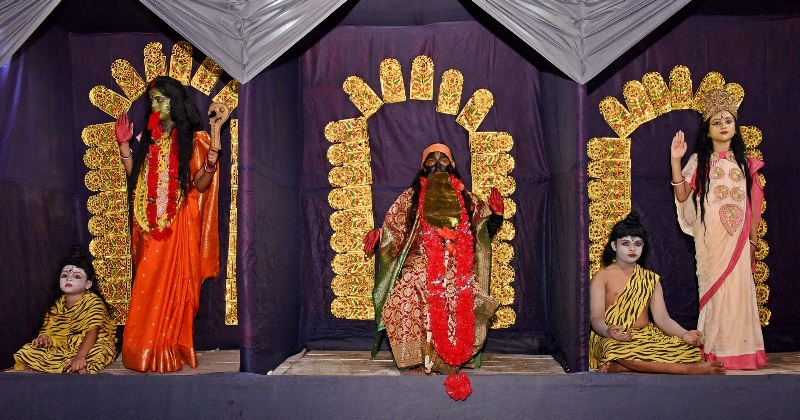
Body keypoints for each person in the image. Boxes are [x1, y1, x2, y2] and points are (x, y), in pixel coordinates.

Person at [363, 143, 504, 399]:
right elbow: (395, 231)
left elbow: (481, 235)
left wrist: (495, 217)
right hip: (418, 262)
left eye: (443, 158)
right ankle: (416, 360)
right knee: (408, 286)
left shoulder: (467, 199)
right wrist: (380, 235)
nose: (437, 163)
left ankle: (449, 360)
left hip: (456, 265)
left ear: (453, 165)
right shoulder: (410, 198)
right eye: (431, 159)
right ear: (422, 166)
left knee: (461, 291)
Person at [115, 76, 220, 373]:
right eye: (152, 101)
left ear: (175, 101)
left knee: (177, 289)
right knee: (146, 285)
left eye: (160, 99)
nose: (155, 105)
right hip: (148, 224)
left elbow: (200, 186)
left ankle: (168, 347)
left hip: (179, 223)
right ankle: (142, 349)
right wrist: (124, 144)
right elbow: (135, 174)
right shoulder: (148, 137)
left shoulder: (193, 138)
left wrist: (211, 160)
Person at [670, 88, 766, 370]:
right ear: (708, 130)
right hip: (710, 242)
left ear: (735, 128)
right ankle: (714, 350)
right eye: (716, 122)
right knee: (715, 291)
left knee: (739, 292)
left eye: (728, 120)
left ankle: (743, 352)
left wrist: (751, 242)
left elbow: (753, 207)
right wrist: (676, 160)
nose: (723, 126)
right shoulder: (699, 162)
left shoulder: (745, 165)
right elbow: (682, 196)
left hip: (738, 240)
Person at [589, 211, 725, 374]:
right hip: (612, 338)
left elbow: (662, 318)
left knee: (687, 350)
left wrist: (684, 334)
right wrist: (607, 332)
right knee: (614, 349)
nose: (632, 248)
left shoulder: (650, 278)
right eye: (625, 243)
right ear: (614, 246)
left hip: (646, 336)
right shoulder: (601, 277)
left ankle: (621, 367)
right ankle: (689, 369)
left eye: (638, 244)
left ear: (643, 247)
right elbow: (596, 317)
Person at [13, 246, 117, 374]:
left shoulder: (93, 302)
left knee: (101, 350)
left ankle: (79, 366)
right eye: (65, 275)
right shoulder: (57, 305)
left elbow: (93, 332)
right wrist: (44, 339)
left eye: (77, 276)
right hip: (63, 347)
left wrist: (80, 356)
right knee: (28, 350)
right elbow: (48, 332)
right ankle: (70, 367)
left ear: (88, 284)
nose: (69, 278)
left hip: (89, 346)